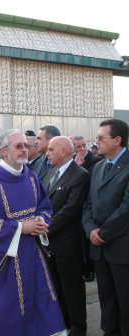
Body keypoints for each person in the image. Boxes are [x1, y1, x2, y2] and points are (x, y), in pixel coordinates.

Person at [0, 129, 66, 335]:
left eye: (26, 145)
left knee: (38, 302)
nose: (25, 150)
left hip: (32, 255)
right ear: (3, 152)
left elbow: (45, 206)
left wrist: (40, 220)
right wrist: (21, 227)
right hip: (3, 260)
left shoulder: (30, 176)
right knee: (6, 310)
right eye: (18, 146)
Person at [82, 119, 129, 336]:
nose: (97, 142)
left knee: (125, 300)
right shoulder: (99, 166)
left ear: (117, 140)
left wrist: (103, 233)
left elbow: (126, 208)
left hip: (121, 247)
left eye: (102, 138)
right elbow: (89, 204)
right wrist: (90, 229)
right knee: (107, 299)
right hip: (99, 247)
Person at [43, 136, 89, 336]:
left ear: (63, 151)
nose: (47, 152)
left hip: (67, 243)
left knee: (72, 288)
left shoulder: (80, 175)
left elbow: (71, 210)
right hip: (49, 242)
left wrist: (44, 228)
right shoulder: (50, 172)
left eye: (51, 149)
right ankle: (63, 323)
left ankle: (78, 328)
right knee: (56, 286)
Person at [70, 135, 103, 283]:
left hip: (88, 206)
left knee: (88, 238)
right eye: (78, 147)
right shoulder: (72, 161)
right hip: (75, 205)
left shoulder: (96, 161)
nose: (83, 149)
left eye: (84, 145)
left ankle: (90, 269)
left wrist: (77, 168)